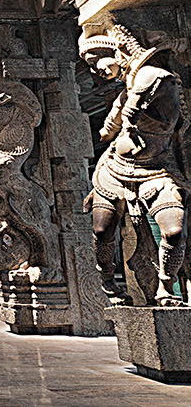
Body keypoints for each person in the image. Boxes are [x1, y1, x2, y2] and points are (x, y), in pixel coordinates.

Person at [80, 25, 189, 307]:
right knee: (103, 231)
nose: (95, 72)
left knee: (173, 232)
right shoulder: (122, 95)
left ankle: (167, 284)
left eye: (96, 62)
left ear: (118, 51)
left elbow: (138, 102)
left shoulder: (157, 78)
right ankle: (107, 279)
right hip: (115, 170)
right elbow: (107, 131)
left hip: (157, 170)